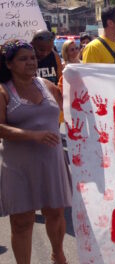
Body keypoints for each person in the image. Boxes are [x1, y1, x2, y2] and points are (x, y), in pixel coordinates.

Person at [0, 39, 71, 264]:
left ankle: (58, 254)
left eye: (32, 58)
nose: (30, 62)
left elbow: (71, 108)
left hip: (51, 162)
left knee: (56, 214)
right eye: (23, 59)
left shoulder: (47, 86)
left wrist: (73, 82)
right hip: (18, 166)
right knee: (21, 222)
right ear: (9, 64)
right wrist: (33, 135)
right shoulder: (3, 91)